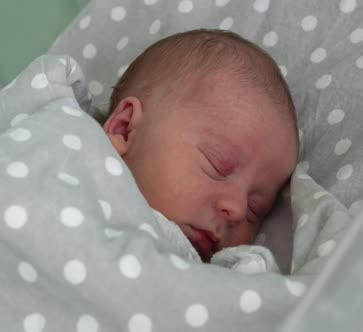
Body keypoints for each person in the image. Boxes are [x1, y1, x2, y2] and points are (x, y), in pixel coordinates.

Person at [102, 29, 298, 262]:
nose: (236, 209)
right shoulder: (69, 156)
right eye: (216, 165)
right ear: (125, 129)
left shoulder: (230, 276)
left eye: (255, 210)